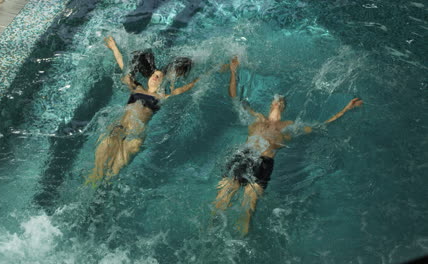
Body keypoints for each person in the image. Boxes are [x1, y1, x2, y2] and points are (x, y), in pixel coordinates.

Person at [213, 56, 363, 235]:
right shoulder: (257, 117)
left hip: (265, 163)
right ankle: (206, 234)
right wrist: (233, 71)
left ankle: (239, 246)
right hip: (243, 156)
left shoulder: (290, 126)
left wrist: (346, 109)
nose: (278, 101)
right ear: (271, 104)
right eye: (276, 100)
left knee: (248, 209)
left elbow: (321, 125)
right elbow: (235, 98)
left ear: (283, 107)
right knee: (221, 202)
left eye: (281, 101)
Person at [86, 36, 199, 185]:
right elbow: (123, 67)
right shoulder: (137, 87)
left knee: (112, 174)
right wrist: (114, 48)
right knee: (97, 171)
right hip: (118, 128)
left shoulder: (162, 96)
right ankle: (89, 191)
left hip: (135, 136)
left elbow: (185, 88)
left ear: (163, 80)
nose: (155, 77)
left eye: (158, 76)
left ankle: (101, 196)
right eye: (153, 74)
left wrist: (205, 74)